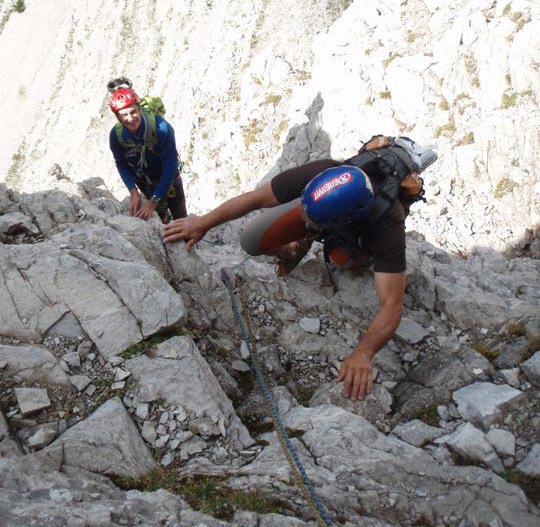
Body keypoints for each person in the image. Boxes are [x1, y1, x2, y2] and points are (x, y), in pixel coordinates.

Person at [163, 136, 431, 402]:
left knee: (344, 261)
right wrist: (204, 222)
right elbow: (255, 198)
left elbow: (392, 304)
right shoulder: (321, 171)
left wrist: (364, 352)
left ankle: (343, 244)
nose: (302, 217)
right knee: (252, 239)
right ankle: (293, 249)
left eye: (310, 219)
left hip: (358, 232)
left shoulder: (386, 224)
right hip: (329, 208)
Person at [109, 83, 187, 222]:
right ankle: (164, 220)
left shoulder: (161, 128)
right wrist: (133, 191)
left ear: (139, 109)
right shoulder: (116, 135)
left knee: (180, 216)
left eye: (133, 112)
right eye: (124, 115)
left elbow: (171, 165)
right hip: (144, 180)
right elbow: (121, 163)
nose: (130, 118)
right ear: (118, 118)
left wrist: (153, 201)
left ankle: (187, 241)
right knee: (159, 216)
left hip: (169, 178)